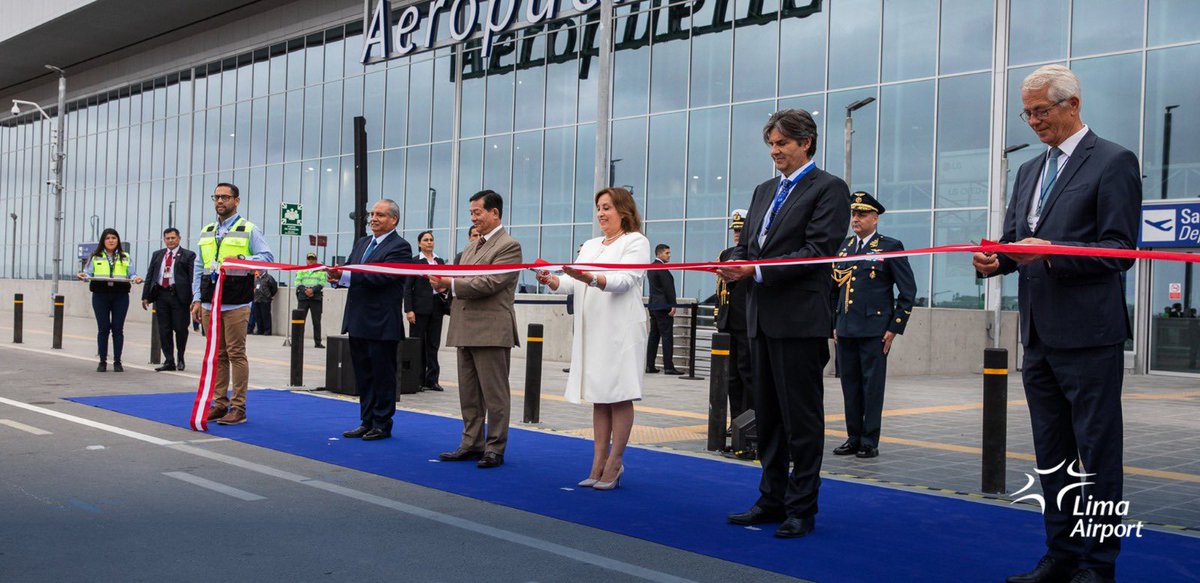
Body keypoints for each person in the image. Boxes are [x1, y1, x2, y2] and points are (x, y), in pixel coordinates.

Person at [973, 65, 1139, 583]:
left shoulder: (1112, 161)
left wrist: (1051, 255)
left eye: (1040, 111)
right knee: (1053, 454)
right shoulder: (1028, 172)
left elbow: (1120, 251)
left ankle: (1099, 564)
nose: (1033, 121)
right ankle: (1061, 555)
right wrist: (994, 261)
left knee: (1097, 454)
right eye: (1026, 113)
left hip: (1090, 335)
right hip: (1039, 335)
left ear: (1072, 105)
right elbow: (1013, 242)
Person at [717, 108, 850, 539]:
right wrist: (732, 263)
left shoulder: (829, 189)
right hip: (759, 320)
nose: (775, 151)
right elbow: (748, 246)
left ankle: (802, 507)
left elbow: (816, 250)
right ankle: (771, 496)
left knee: (802, 420)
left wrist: (754, 271)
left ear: (805, 142)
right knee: (768, 417)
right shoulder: (763, 191)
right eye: (771, 145)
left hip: (799, 322)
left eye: (783, 144)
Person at [537, 187, 650, 490]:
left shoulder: (636, 242)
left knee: (619, 392)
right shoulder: (590, 244)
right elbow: (573, 286)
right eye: (598, 208)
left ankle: (615, 462)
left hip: (621, 328)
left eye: (607, 207)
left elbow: (626, 280)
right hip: (593, 329)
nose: (601, 213)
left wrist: (591, 278)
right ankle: (598, 461)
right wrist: (552, 280)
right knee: (599, 396)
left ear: (623, 211)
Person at [429, 190, 522, 469]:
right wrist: (443, 285)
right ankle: (471, 443)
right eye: (471, 213)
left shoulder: (509, 246)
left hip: (491, 330)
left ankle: (495, 447)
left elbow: (490, 283)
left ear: (495, 213)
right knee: (468, 393)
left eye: (478, 212)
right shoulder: (470, 248)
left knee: (495, 395)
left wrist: (450, 284)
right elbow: (461, 281)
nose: (474, 218)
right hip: (465, 327)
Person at [830, 192, 916, 459]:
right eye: (854, 214)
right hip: (845, 329)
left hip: (874, 330)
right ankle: (853, 437)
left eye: (862, 214)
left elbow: (908, 290)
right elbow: (834, 289)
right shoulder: (843, 247)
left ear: (875, 218)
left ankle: (869, 440)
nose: (855, 219)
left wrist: (894, 327)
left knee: (872, 386)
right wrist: (834, 322)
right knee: (850, 386)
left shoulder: (889, 247)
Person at [190, 182, 274, 426]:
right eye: (216, 197)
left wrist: (242, 259)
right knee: (218, 355)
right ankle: (219, 403)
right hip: (209, 302)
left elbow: (267, 258)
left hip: (236, 302)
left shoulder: (248, 229)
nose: (220, 201)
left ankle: (238, 406)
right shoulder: (207, 231)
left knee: (236, 353)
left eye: (225, 197)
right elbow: (199, 267)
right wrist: (196, 298)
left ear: (236, 201)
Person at [328, 199, 413, 442]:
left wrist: (345, 274)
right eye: (372, 214)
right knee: (363, 375)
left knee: (382, 376)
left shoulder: (401, 248)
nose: (373, 218)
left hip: (381, 323)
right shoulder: (363, 242)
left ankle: (382, 423)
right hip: (358, 320)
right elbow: (350, 271)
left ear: (393, 219)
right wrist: (336, 275)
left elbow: (381, 277)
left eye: (380, 215)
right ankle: (366, 421)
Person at [77, 228, 144, 372]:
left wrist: (136, 278)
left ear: (118, 240)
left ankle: (118, 361)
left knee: (118, 329)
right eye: (108, 238)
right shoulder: (95, 256)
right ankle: (102, 361)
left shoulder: (125, 256)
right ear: (103, 241)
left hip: (120, 295)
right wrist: (83, 275)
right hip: (101, 295)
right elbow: (88, 273)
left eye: (114, 238)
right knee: (103, 329)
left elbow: (132, 274)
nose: (111, 240)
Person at [715, 209, 753, 428]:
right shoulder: (726, 254)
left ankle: (748, 421)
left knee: (748, 374)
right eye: (735, 230)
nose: (737, 233)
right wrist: (718, 316)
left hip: (746, 323)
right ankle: (736, 419)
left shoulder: (753, 254)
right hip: (728, 323)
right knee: (731, 377)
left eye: (741, 229)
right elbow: (721, 290)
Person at [142, 227, 196, 372]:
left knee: (180, 329)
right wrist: (145, 296)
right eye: (167, 238)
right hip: (161, 295)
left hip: (179, 297)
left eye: (173, 238)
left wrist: (195, 298)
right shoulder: (158, 255)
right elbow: (150, 276)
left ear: (179, 238)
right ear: (164, 239)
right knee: (164, 330)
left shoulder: (188, 255)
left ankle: (180, 358)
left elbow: (193, 278)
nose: (170, 241)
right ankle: (169, 360)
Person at [405, 231, 449, 392]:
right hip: (419, 309)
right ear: (419, 244)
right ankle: (417, 379)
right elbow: (407, 288)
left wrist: (444, 292)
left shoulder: (439, 261)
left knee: (433, 344)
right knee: (418, 344)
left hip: (437, 308)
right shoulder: (415, 262)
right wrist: (409, 309)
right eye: (425, 240)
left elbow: (445, 283)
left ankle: (432, 379)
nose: (429, 242)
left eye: (431, 240)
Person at [645, 244, 682, 375]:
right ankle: (668, 366)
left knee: (654, 336)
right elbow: (668, 288)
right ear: (659, 254)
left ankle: (650, 365)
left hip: (653, 305)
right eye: (667, 253)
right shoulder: (662, 268)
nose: (669, 255)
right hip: (663, 306)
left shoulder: (651, 267)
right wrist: (673, 304)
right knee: (667, 336)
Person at [294, 252, 326, 348]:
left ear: (316, 260)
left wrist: (312, 290)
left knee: (316, 321)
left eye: (313, 259)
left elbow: (322, 283)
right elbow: (297, 282)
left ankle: (318, 342)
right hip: (303, 297)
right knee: (300, 321)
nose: (311, 261)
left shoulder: (321, 271)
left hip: (315, 297)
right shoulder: (301, 270)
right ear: (306, 260)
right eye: (309, 259)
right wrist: (305, 290)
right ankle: (298, 342)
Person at [247, 270, 278, 335]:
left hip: (265, 300)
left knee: (266, 316)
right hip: (256, 299)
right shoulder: (257, 278)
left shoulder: (269, 277)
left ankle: (267, 331)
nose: (258, 271)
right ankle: (260, 330)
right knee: (258, 316)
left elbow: (274, 288)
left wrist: (269, 295)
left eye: (260, 270)